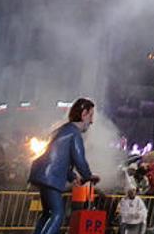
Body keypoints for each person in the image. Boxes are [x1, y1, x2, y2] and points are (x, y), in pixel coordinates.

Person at [29, 98, 99, 234]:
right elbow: (79, 159)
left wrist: (72, 176)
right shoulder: (74, 133)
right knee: (57, 214)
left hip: (43, 174)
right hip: (51, 177)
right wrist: (88, 176)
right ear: (84, 113)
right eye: (90, 116)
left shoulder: (63, 130)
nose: (91, 121)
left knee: (47, 213)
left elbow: (58, 158)